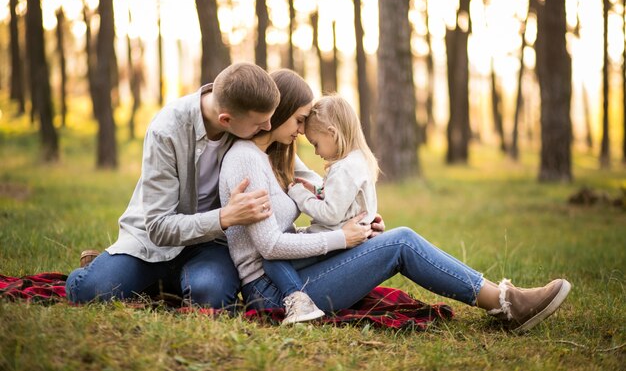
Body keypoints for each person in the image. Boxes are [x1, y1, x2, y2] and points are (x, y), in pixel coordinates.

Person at [220, 69, 571, 333]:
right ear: (276, 113)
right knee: (401, 242)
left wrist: (361, 221)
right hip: (273, 292)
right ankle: (506, 304)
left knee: (394, 237)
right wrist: (343, 238)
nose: (301, 129)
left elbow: (322, 195)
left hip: (295, 271)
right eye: (298, 120)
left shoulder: (278, 155)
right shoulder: (246, 159)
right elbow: (268, 245)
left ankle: (503, 299)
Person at [66, 62, 283, 308]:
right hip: (150, 243)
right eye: (260, 124)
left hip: (209, 244)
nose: (267, 127)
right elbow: (158, 227)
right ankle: (107, 269)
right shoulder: (167, 130)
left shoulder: (247, 117)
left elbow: (293, 165)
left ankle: (163, 283)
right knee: (89, 293)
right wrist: (225, 217)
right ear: (225, 119)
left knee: (211, 299)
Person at [261, 95, 379, 324]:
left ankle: (298, 299)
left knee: (272, 259)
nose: (316, 152)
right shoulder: (357, 161)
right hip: (344, 235)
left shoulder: (343, 168)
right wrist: (316, 191)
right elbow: (341, 201)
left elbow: (330, 213)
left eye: (315, 143)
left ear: (332, 133)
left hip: (336, 239)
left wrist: (299, 195)